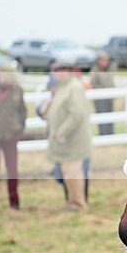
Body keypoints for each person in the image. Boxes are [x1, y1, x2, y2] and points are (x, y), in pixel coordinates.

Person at [42, 61, 93, 211]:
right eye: (55, 71)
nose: (56, 74)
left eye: (60, 70)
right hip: (64, 142)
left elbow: (76, 114)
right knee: (67, 173)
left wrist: (62, 132)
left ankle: (78, 204)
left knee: (74, 173)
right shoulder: (62, 88)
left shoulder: (74, 87)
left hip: (73, 140)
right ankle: (72, 202)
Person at [0, 64, 26, 210]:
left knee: (12, 170)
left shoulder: (17, 90)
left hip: (11, 136)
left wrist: (19, 131)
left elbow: (22, 112)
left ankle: (14, 201)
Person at [89, 51, 115, 135]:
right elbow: (93, 84)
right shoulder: (95, 71)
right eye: (103, 60)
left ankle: (110, 135)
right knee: (102, 118)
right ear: (99, 61)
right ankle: (103, 135)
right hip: (100, 100)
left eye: (106, 60)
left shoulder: (109, 70)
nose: (105, 62)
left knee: (110, 118)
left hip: (109, 98)